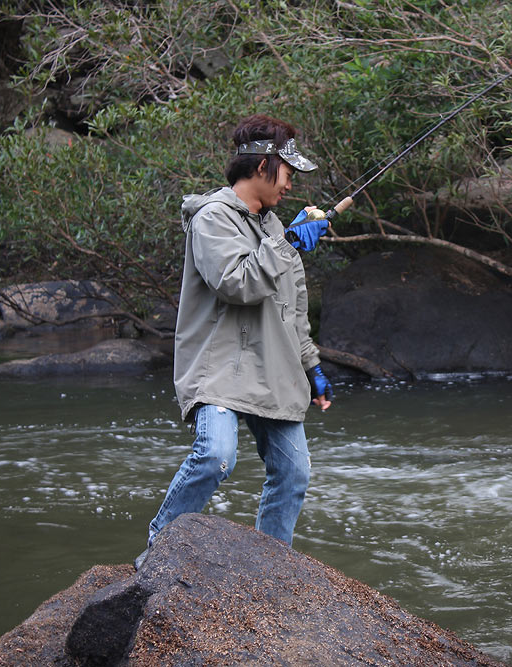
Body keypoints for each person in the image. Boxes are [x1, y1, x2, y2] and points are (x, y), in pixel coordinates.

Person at [136, 114, 334, 568]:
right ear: (262, 166)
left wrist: (313, 367)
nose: (291, 185)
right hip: (220, 368)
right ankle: (156, 554)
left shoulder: (275, 228)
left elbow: (294, 309)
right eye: (287, 173)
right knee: (215, 456)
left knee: (294, 472)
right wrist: (290, 245)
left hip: (276, 368)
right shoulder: (212, 218)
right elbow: (236, 283)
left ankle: (269, 570)